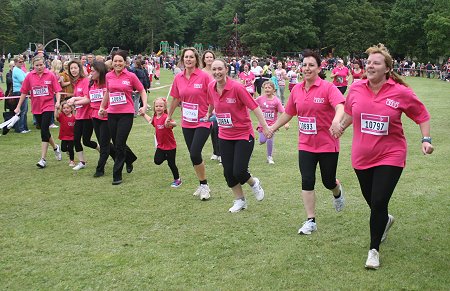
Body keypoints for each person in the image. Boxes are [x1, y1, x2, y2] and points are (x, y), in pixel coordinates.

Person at [338, 44, 434, 270]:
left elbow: (422, 115)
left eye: (376, 63)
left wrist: (426, 140)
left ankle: (373, 250)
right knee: (374, 204)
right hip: (361, 156)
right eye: (369, 62)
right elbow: (351, 113)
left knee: (379, 201)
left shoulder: (400, 92)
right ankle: (385, 221)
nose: (370, 66)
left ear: (387, 69)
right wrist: (340, 126)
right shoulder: (356, 88)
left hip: (391, 154)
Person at [268, 49, 346, 234]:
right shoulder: (296, 89)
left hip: (327, 143)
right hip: (306, 144)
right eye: (304, 65)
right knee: (307, 180)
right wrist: (273, 127)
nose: (307, 68)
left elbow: (340, 106)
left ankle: (338, 192)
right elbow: (288, 113)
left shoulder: (328, 88)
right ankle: (311, 220)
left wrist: (336, 120)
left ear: (319, 68)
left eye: (311, 65)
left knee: (328, 181)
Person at [204, 59, 268, 212]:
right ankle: (240, 200)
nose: (217, 72)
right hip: (224, 135)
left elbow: (254, 107)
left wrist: (264, 126)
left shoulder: (237, 88)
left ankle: (254, 183)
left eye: (220, 69)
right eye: (214, 69)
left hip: (243, 134)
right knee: (228, 172)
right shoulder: (211, 87)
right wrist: (208, 114)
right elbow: (212, 102)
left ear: (226, 69)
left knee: (239, 171)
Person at [166, 47, 213, 200]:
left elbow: (214, 95)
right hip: (187, 122)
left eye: (191, 57)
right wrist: (169, 115)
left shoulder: (204, 76)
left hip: (203, 121)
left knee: (194, 152)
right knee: (195, 156)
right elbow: (175, 98)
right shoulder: (178, 78)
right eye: (186, 57)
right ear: (182, 59)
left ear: (196, 59)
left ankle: (205, 186)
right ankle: (202, 184)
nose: (188, 59)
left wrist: (210, 112)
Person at [99, 50, 147, 185]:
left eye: (120, 61)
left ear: (125, 62)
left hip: (126, 113)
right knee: (117, 142)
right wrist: (102, 107)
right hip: (112, 113)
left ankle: (117, 174)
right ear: (112, 62)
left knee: (119, 143)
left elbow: (142, 90)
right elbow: (108, 92)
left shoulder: (131, 76)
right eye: (115, 61)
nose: (118, 63)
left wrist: (144, 105)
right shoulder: (108, 76)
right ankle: (130, 158)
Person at [14, 56, 63, 168]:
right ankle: (56, 147)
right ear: (33, 66)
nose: (39, 67)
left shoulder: (50, 75)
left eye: (41, 65)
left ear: (44, 64)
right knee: (44, 130)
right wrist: (18, 107)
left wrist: (58, 101)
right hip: (36, 108)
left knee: (44, 131)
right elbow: (24, 92)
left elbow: (57, 90)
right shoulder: (29, 76)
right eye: (37, 65)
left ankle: (43, 159)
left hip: (48, 106)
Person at [141, 97, 181, 188]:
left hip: (170, 146)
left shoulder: (166, 117)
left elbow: (175, 124)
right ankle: (167, 157)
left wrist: (170, 123)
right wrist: (143, 114)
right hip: (161, 146)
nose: (158, 108)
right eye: (157, 106)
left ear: (165, 108)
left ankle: (177, 179)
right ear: (154, 107)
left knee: (172, 164)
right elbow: (150, 121)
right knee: (157, 161)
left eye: (161, 106)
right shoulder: (155, 117)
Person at [66, 60, 99, 171]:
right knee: (76, 139)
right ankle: (82, 162)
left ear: (79, 69)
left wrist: (74, 101)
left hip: (88, 116)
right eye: (71, 68)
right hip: (79, 116)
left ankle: (104, 151)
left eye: (75, 68)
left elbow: (87, 99)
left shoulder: (85, 81)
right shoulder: (75, 83)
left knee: (86, 141)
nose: (73, 70)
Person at [89, 61, 116, 177]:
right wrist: (75, 100)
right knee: (103, 143)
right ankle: (127, 158)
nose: (91, 73)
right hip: (95, 116)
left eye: (93, 71)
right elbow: (88, 98)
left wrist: (107, 110)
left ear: (100, 72)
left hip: (107, 117)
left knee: (104, 145)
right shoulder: (91, 84)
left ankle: (100, 169)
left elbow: (114, 100)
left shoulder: (108, 84)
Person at [255, 81, 288, 164]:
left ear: (273, 90)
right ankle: (261, 140)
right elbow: (251, 103)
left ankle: (269, 157)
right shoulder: (260, 99)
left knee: (269, 139)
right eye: (265, 87)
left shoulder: (276, 101)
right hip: (262, 125)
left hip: (272, 125)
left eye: (269, 87)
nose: (267, 89)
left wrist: (286, 123)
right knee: (262, 140)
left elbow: (282, 112)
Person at [201, 50, 220, 163]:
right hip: (205, 104)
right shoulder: (201, 72)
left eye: (211, 57)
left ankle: (221, 152)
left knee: (218, 127)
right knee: (211, 128)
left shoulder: (217, 72)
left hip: (216, 103)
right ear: (204, 59)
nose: (209, 59)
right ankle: (215, 151)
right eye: (207, 57)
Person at [55, 101, 76, 166]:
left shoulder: (74, 117)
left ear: (71, 109)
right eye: (64, 108)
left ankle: (72, 161)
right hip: (64, 136)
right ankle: (68, 152)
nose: (66, 109)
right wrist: (56, 109)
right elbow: (56, 116)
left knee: (71, 149)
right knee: (63, 149)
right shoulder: (61, 116)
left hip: (72, 137)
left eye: (67, 108)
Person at [12, 56, 29, 133]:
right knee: (21, 111)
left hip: (22, 91)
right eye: (20, 62)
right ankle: (20, 128)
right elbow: (23, 81)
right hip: (19, 91)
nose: (22, 63)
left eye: (23, 61)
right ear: (15, 63)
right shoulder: (16, 70)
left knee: (25, 111)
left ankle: (24, 127)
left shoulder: (20, 70)